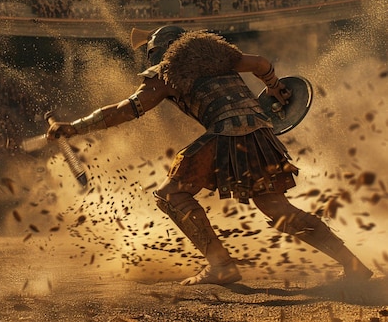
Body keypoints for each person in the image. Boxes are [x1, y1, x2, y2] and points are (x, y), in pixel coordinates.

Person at [46, 26, 372, 286]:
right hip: (261, 133)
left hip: (228, 134)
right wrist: (274, 87)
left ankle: (220, 265)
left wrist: (73, 128)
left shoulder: (165, 72)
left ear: (160, 54)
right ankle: (353, 263)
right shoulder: (219, 58)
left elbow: (125, 110)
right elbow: (260, 64)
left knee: (171, 195)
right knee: (279, 210)